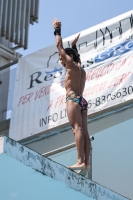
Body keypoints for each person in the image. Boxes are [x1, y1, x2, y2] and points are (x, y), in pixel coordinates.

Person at [53, 18, 91, 176]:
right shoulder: (81, 68)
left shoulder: (70, 63)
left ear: (68, 57)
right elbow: (77, 57)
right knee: (85, 131)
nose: (61, 61)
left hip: (73, 99)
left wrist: (57, 30)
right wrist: (74, 46)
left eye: (62, 59)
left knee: (77, 129)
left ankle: (80, 160)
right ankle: (86, 163)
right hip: (82, 101)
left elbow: (59, 46)